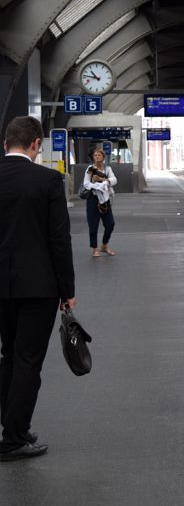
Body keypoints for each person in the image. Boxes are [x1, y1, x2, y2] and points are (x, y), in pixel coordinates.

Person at [0, 116, 76, 461]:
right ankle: (14, 438)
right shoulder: (48, 180)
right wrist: (67, 289)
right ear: (35, 145)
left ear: (5, 145)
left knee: (8, 357)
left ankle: (15, 426)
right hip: (39, 286)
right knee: (28, 361)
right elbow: (58, 240)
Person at [83, 147, 117, 258]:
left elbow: (114, 180)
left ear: (103, 157)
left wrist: (102, 181)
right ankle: (94, 249)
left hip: (105, 199)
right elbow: (86, 184)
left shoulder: (107, 169)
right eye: (95, 155)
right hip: (93, 199)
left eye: (99, 155)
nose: (97, 157)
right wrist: (97, 186)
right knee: (93, 225)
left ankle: (104, 245)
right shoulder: (90, 168)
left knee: (110, 224)